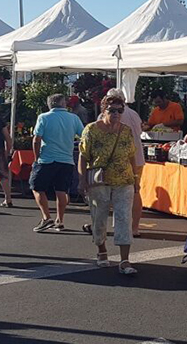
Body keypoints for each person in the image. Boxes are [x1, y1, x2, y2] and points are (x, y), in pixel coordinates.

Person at [79, 95, 139, 275]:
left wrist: (136, 178)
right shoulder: (91, 130)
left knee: (124, 219)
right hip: (99, 181)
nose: (116, 114)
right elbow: (83, 155)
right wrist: (82, 180)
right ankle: (102, 251)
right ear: (103, 110)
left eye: (120, 111)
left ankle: (125, 260)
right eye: (112, 110)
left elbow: (131, 155)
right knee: (99, 218)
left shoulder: (126, 131)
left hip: (124, 180)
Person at [31, 94, 84, 232]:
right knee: (61, 190)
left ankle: (46, 216)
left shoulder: (44, 117)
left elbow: (36, 139)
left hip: (47, 158)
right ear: (64, 103)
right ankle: (60, 220)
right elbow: (84, 135)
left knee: (37, 187)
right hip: (66, 159)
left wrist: (36, 157)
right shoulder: (74, 118)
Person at [105, 89, 146, 235]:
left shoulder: (108, 114)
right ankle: (134, 227)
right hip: (137, 158)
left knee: (115, 192)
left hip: (118, 160)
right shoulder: (133, 113)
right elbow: (140, 132)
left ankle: (119, 225)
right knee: (134, 192)